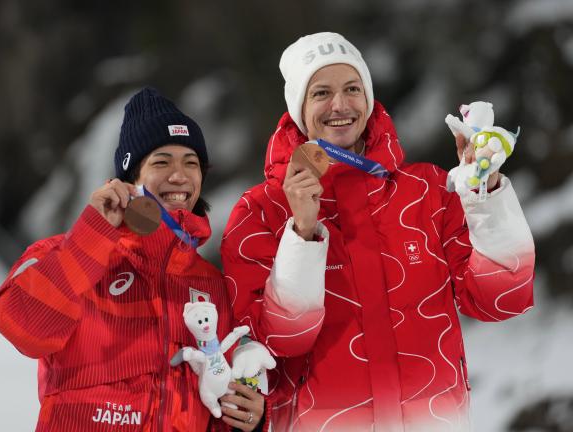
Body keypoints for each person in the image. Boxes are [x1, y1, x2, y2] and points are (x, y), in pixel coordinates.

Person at [220, 32, 535, 431]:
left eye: (352, 88)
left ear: (368, 99)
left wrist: (483, 192)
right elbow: (279, 343)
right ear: (299, 108)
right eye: (321, 93)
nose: (340, 104)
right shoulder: (260, 212)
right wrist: (302, 232)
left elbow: (500, 297)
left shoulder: (427, 191)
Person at [0, 87, 269, 432]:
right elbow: (22, 326)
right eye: (162, 161)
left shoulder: (213, 284)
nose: (179, 175)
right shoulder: (62, 252)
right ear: (130, 179)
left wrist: (248, 420)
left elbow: (217, 404)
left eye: (191, 163)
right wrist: (93, 233)